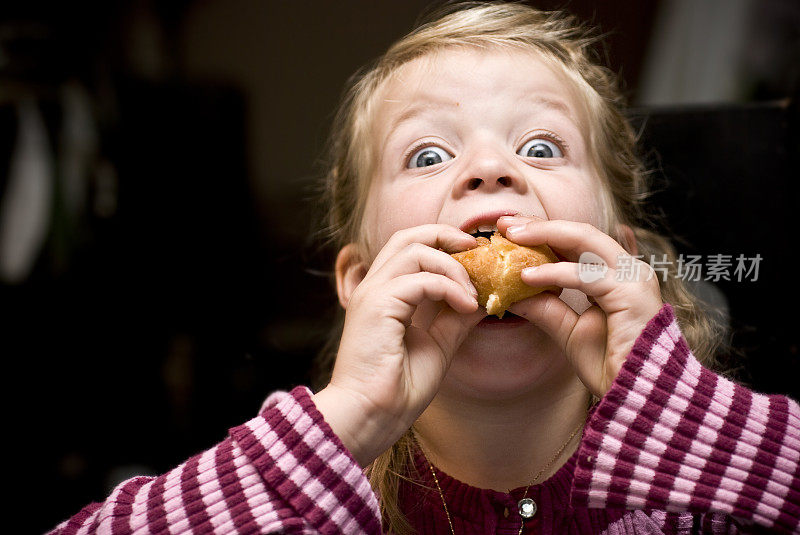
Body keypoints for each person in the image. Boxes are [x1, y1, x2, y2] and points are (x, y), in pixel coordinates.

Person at [50, 3, 799, 534]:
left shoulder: (713, 493)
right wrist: (348, 423)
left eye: (541, 147)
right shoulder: (305, 493)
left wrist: (686, 414)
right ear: (359, 280)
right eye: (428, 155)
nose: (489, 169)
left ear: (622, 257)